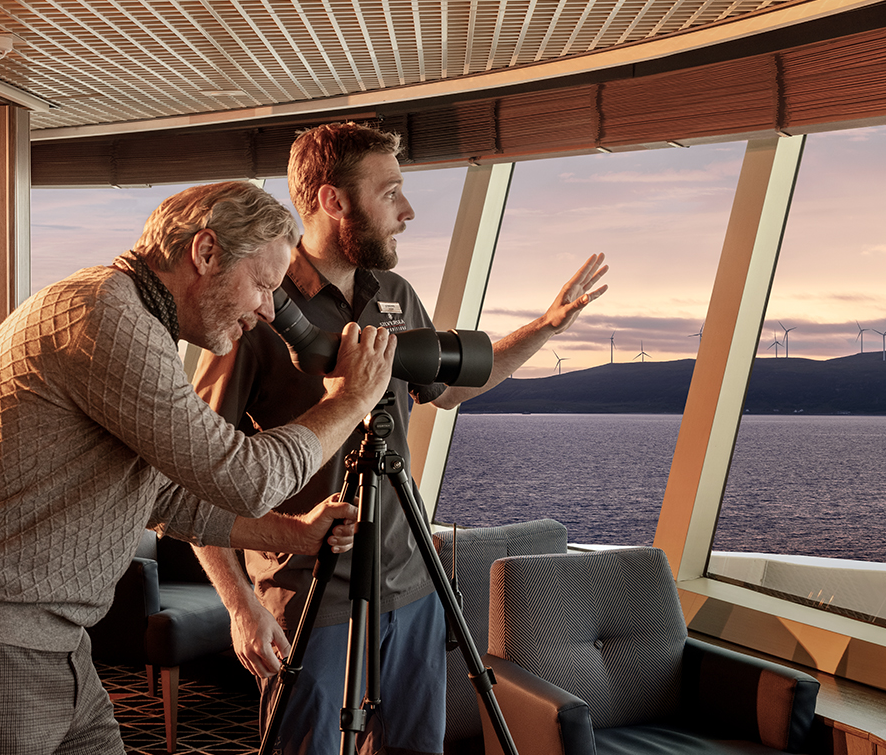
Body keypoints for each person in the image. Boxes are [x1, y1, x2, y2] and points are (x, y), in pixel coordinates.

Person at [0, 180, 397, 755]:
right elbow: (248, 475)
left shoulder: (134, 321)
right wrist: (349, 400)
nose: (268, 309)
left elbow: (166, 497)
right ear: (206, 252)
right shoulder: (100, 315)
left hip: (51, 643)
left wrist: (291, 534)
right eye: (263, 285)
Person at [192, 122, 608, 755]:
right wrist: (240, 605)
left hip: (412, 586)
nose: (407, 212)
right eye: (390, 193)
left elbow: (453, 382)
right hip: (309, 595)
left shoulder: (394, 294)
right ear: (333, 200)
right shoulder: (259, 305)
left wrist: (546, 328)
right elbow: (195, 474)